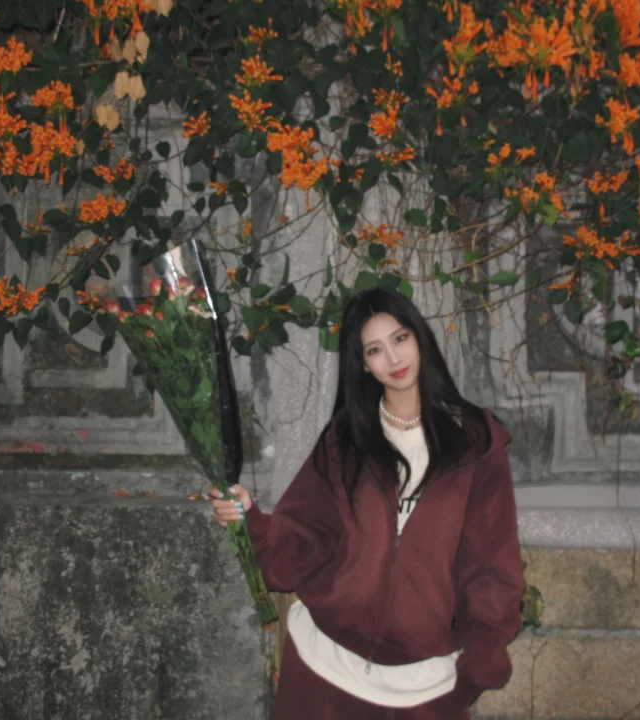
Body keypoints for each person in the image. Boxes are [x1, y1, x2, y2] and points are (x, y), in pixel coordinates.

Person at [209, 287, 524, 719]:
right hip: (326, 666)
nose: (393, 358)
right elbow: (308, 533)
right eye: (375, 350)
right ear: (362, 363)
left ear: (419, 338)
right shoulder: (347, 437)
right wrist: (252, 520)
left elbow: (490, 559)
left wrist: (483, 651)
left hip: (424, 681)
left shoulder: (475, 442)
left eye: (400, 339)